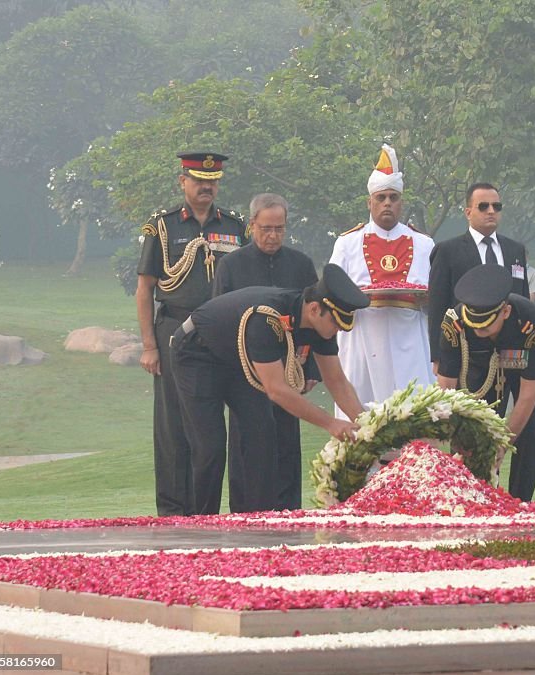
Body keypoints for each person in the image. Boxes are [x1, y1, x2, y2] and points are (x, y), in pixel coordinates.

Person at [171, 264, 369, 515]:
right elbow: (277, 390)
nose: (338, 329)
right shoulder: (267, 317)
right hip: (198, 353)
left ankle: (256, 519)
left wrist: (365, 425)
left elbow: (337, 381)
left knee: (262, 435)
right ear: (314, 308)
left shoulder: (321, 325)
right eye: (336, 322)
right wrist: (331, 423)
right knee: (210, 445)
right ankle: (199, 522)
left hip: (239, 360)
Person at [135, 151, 247, 516]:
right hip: (173, 330)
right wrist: (149, 345)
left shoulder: (234, 226)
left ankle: (206, 509)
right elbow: (145, 288)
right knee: (172, 424)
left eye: (212, 181)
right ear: (182, 182)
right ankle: (171, 511)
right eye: (199, 180)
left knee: (210, 425)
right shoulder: (162, 226)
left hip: (220, 332)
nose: (206, 187)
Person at [212, 193, 319, 511]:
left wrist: (310, 369)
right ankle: (247, 515)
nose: (272, 236)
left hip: (288, 370)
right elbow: (219, 324)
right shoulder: (231, 266)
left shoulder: (301, 265)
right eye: (266, 228)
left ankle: (288, 514)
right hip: (245, 374)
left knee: (286, 444)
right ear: (252, 226)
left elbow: (314, 319)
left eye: (279, 229)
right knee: (249, 447)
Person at [436, 265, 535, 502]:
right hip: (482, 367)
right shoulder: (455, 323)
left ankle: (520, 502)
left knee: (528, 430)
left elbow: (527, 396)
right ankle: (472, 499)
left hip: (531, 367)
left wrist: (503, 444)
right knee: (472, 432)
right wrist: (454, 431)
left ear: (505, 312)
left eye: (485, 325)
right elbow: (446, 388)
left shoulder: (533, 324)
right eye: (474, 325)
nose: (479, 329)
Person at [330, 144, 435, 412]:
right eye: (381, 198)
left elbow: (438, 294)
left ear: (401, 202)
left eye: (393, 197)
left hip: (409, 336)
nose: (387, 203)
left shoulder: (424, 244)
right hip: (362, 338)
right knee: (360, 420)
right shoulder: (347, 243)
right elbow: (331, 292)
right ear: (370, 202)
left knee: (413, 412)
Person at [427, 182, 530, 374]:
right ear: (468, 212)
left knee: (507, 402)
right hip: (465, 350)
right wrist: (438, 355)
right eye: (483, 206)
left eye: (496, 206)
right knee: (467, 404)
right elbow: (437, 306)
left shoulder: (515, 250)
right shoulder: (448, 251)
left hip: (509, 349)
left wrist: (526, 345)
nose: (491, 211)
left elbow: (523, 301)